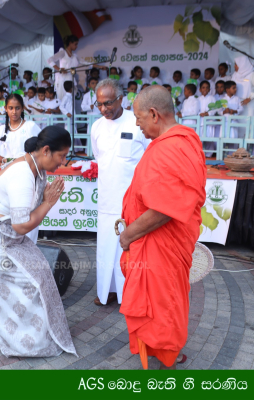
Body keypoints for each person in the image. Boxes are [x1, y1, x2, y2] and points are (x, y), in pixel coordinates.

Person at [0, 126, 76, 358]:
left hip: (0, 232)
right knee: (30, 281)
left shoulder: (34, 165)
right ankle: (25, 340)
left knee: (41, 270)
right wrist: (48, 203)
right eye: (61, 156)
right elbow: (21, 226)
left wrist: (43, 200)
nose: (63, 162)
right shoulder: (24, 174)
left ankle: (18, 328)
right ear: (45, 150)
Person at [120, 85, 206, 370]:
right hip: (155, 243)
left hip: (159, 243)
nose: (137, 123)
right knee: (162, 301)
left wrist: (129, 235)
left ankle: (166, 359)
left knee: (164, 302)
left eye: (139, 117)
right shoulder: (183, 141)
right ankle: (160, 349)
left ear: (154, 114)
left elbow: (165, 209)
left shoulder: (173, 147)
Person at [90, 78, 149, 306]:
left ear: (121, 99)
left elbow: (148, 157)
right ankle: (107, 291)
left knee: (129, 248)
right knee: (106, 247)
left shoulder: (137, 124)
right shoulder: (96, 127)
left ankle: (129, 295)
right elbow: (100, 158)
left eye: (108, 103)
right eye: (99, 104)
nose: (104, 109)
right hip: (106, 199)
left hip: (132, 199)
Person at [0, 94, 41, 172]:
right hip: (7, 171)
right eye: (11, 108)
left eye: (17, 108)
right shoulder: (1, 130)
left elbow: (40, 150)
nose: (14, 112)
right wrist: (8, 160)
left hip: (27, 170)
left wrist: (20, 161)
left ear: (22, 108)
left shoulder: (30, 126)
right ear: (6, 108)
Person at [48, 35, 106, 100]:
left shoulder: (75, 56)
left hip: (70, 78)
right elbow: (50, 60)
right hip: (62, 80)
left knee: (71, 100)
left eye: (77, 44)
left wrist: (99, 66)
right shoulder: (62, 52)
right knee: (63, 100)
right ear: (70, 43)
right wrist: (59, 69)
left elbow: (86, 63)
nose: (76, 46)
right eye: (75, 44)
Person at [198, 81, 219, 157]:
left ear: (209, 89)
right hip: (200, 121)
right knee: (200, 138)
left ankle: (209, 154)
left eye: (207, 88)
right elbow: (196, 109)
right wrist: (199, 113)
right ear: (200, 89)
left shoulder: (212, 98)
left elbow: (214, 109)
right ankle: (200, 153)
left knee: (209, 137)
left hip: (209, 120)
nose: (205, 89)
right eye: (203, 87)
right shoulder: (198, 99)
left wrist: (208, 113)